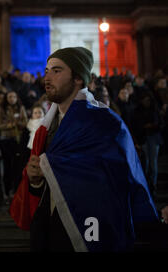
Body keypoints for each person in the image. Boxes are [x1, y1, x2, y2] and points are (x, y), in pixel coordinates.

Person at [9, 47, 158, 252]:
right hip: (48, 227)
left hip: (87, 226)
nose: (47, 77)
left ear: (78, 79)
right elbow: (44, 185)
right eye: (46, 71)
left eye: (57, 71)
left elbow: (118, 178)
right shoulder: (45, 126)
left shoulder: (104, 122)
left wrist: (56, 167)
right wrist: (35, 181)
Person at [0, 90, 28, 201]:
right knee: (7, 166)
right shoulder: (2, 109)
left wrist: (18, 123)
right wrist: (11, 124)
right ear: (6, 98)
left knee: (17, 166)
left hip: (17, 140)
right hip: (5, 139)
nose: (12, 98)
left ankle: (16, 190)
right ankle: (6, 190)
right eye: (10, 96)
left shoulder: (21, 108)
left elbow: (25, 123)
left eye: (14, 96)